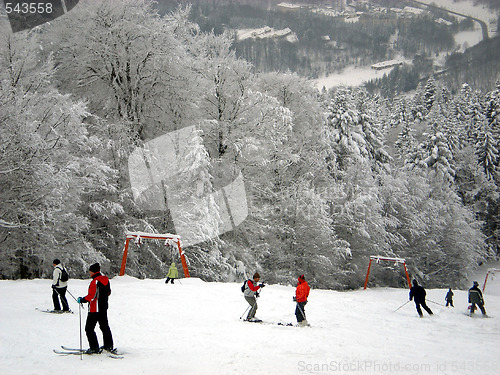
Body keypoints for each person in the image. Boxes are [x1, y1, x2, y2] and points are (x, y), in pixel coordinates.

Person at [77, 263, 114, 354]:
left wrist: (82, 299)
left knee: (89, 329)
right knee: (104, 327)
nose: (89, 272)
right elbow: (108, 292)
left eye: (90, 271)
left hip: (94, 309)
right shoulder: (105, 279)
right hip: (103, 308)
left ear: (92, 271)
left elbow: (92, 296)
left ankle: (94, 347)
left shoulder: (95, 281)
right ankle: (108, 345)